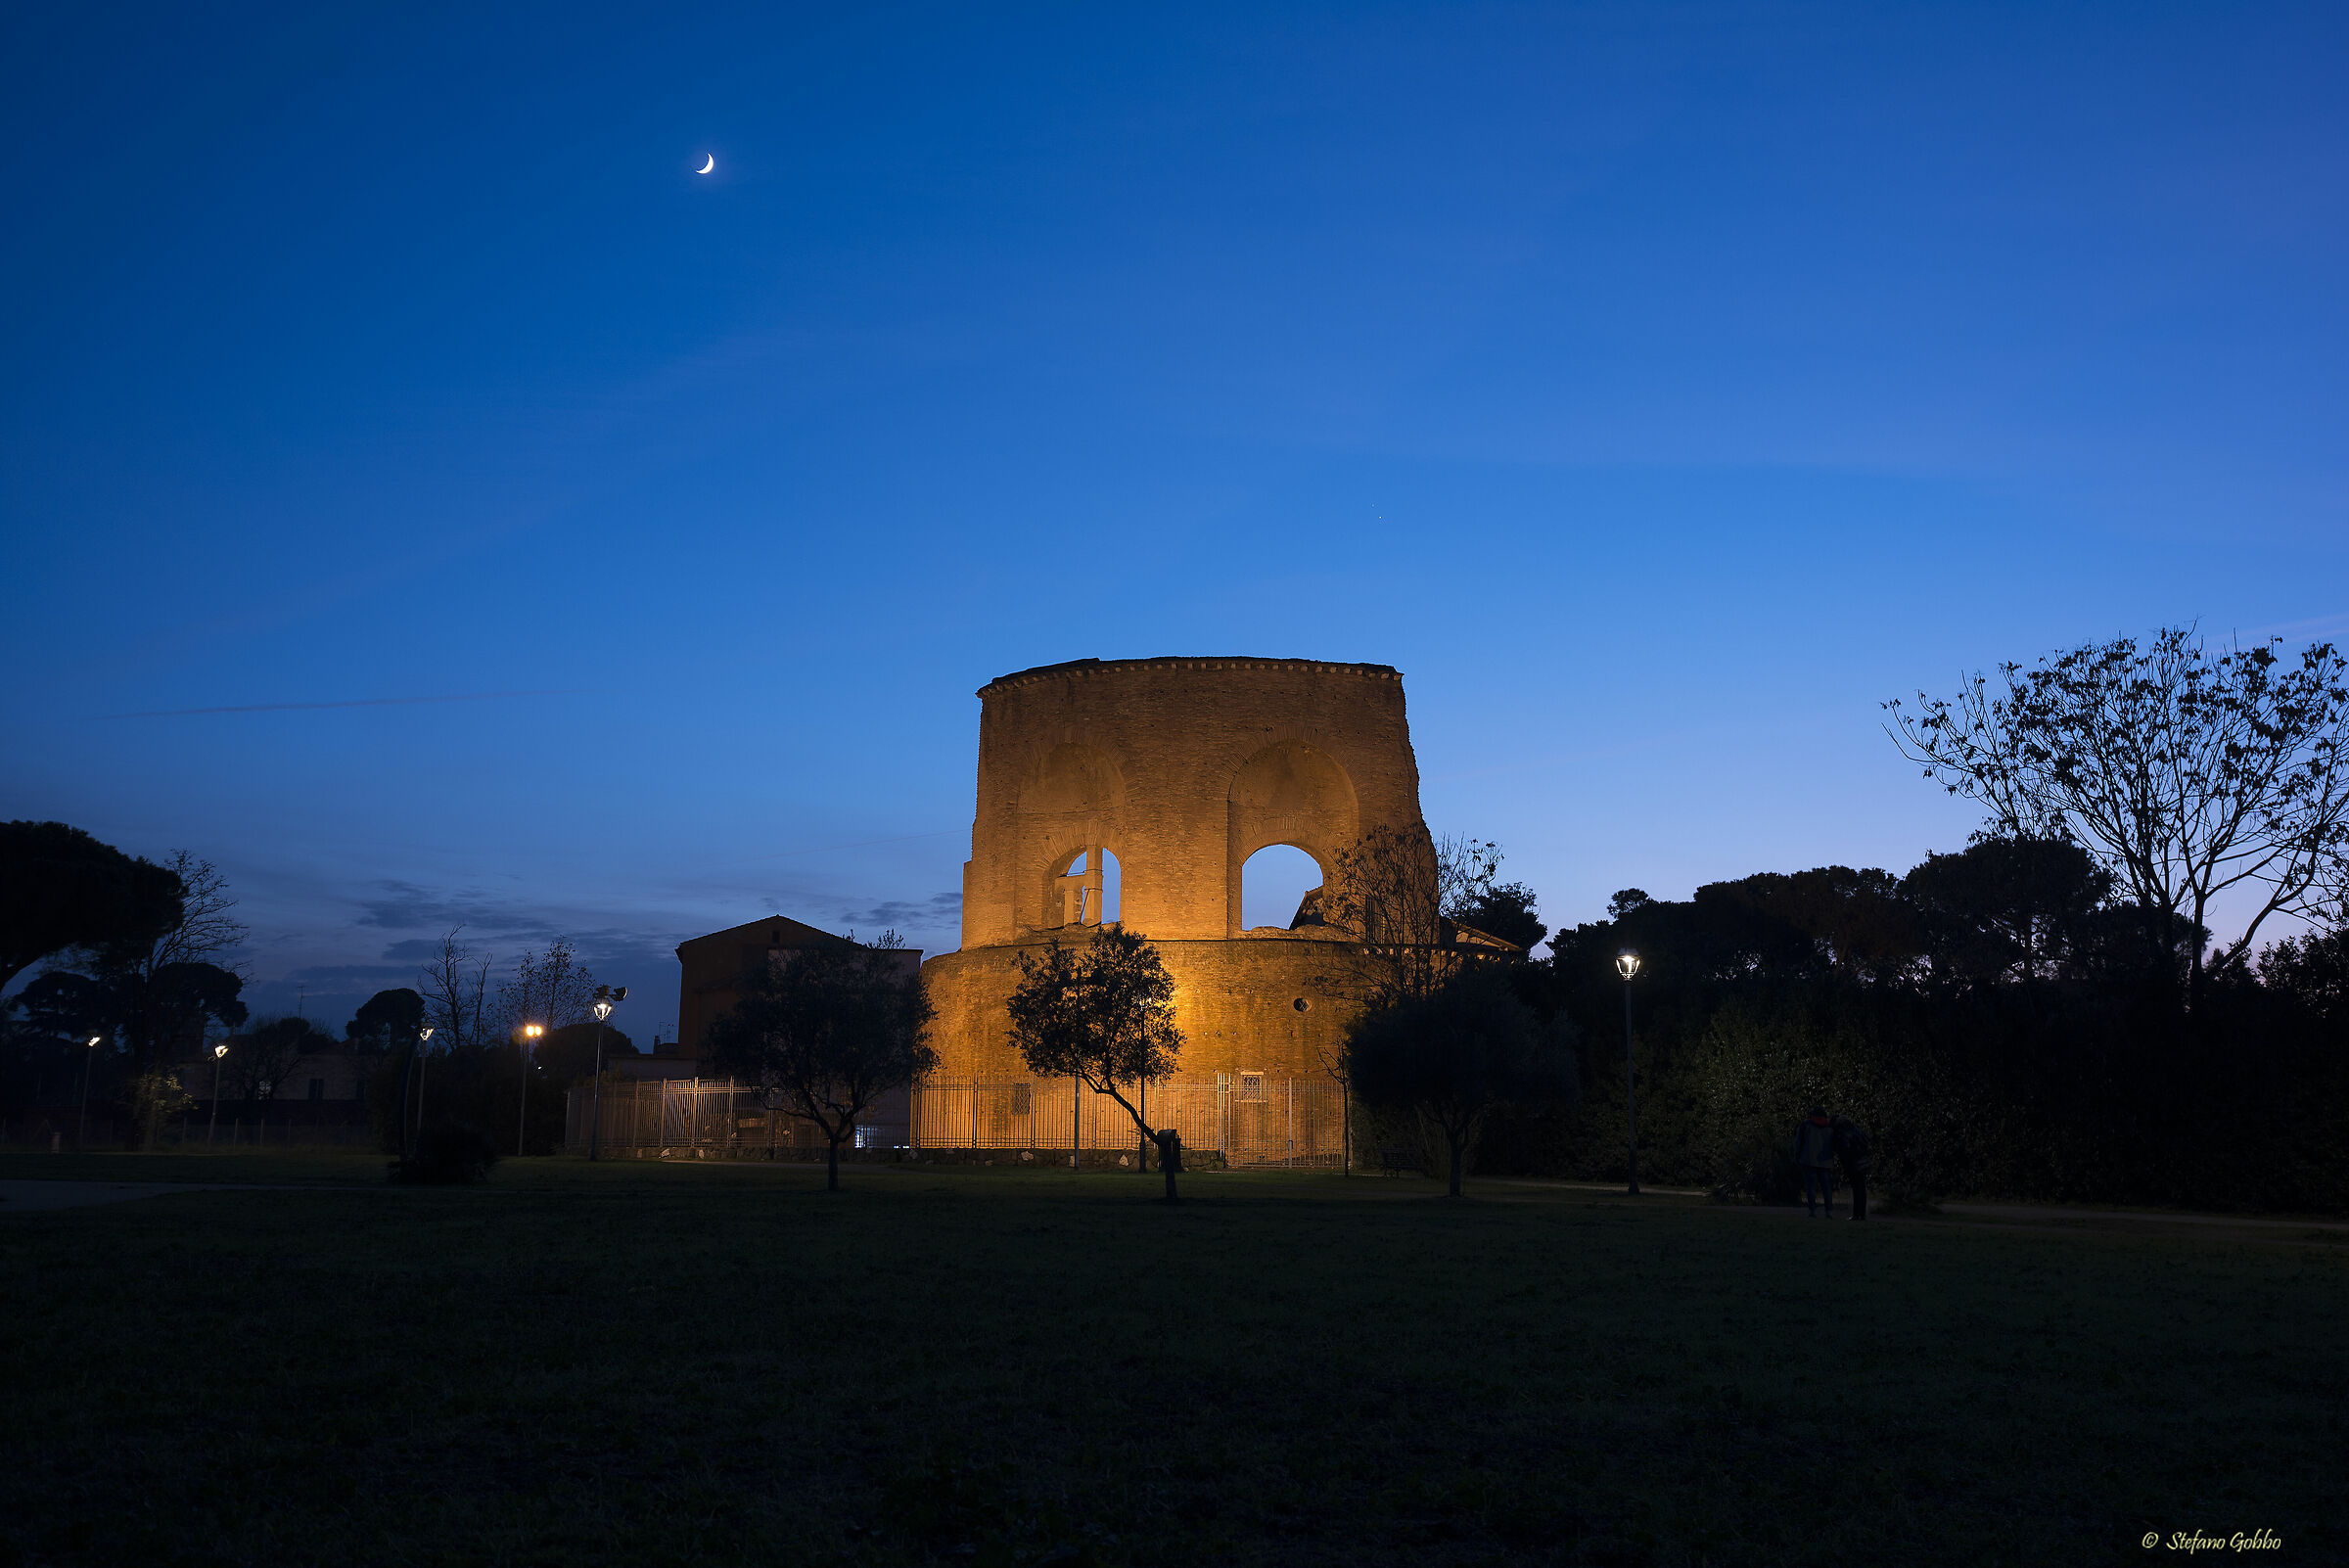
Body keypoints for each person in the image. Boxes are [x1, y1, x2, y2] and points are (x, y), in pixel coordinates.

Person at [1794, 1104, 1837, 1218]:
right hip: (1825, 1161)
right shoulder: (1830, 1127)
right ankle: (1828, 1211)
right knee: (1826, 1187)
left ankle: (1812, 1210)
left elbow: (1798, 1142)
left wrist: (1797, 1156)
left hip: (1808, 1160)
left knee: (1811, 1187)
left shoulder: (1805, 1125)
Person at [1832, 1114, 1872, 1222]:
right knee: (1861, 1188)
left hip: (1853, 1163)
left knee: (1856, 1188)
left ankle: (1856, 1214)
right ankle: (1862, 1214)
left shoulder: (1842, 1134)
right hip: (1864, 1161)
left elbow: (1845, 1150)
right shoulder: (1857, 1129)